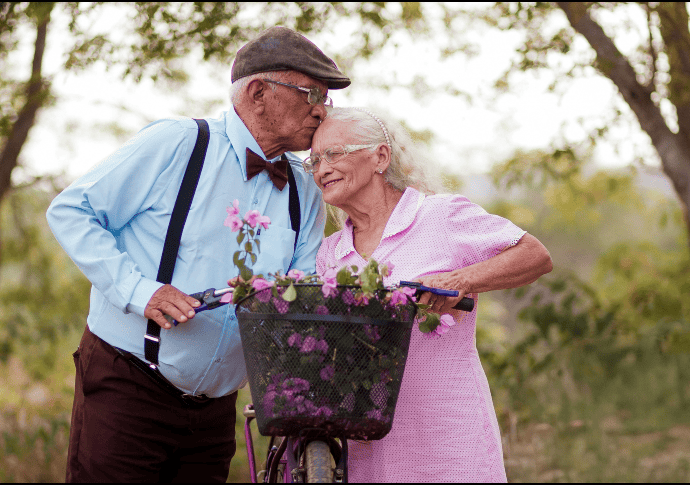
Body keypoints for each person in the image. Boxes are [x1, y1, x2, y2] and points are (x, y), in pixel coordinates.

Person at [46, 27, 350, 482]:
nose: (321, 109)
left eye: (326, 98)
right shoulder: (178, 143)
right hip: (128, 386)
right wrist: (138, 290)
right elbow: (71, 210)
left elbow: (298, 290)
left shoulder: (305, 190)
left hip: (216, 412)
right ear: (257, 92)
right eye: (310, 93)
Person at [309, 107, 554, 483]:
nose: (321, 168)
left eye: (334, 153)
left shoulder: (438, 217)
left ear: (380, 157)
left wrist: (461, 279)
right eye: (314, 160)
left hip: (448, 432)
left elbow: (534, 255)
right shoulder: (330, 253)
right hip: (369, 443)